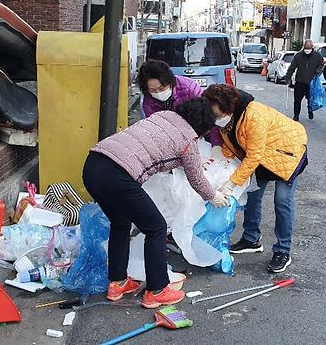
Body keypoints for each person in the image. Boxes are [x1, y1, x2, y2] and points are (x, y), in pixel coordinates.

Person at [83, 98, 230, 309]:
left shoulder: (162, 117)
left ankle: (118, 283)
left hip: (93, 165)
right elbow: (197, 179)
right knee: (157, 227)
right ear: (203, 127)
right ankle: (157, 290)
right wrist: (213, 196)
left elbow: (160, 150)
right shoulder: (188, 140)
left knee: (121, 223)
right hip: (118, 176)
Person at [202, 84, 308, 273]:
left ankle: (283, 250)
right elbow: (232, 146)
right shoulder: (226, 122)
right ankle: (251, 239)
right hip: (263, 159)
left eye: (217, 115)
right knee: (253, 195)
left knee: (282, 200)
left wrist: (232, 182)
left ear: (229, 109)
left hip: (288, 154)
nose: (215, 119)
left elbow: (253, 156)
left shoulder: (253, 115)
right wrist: (217, 162)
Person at [137, 59, 223, 145]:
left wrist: (216, 144)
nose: (158, 93)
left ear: (170, 82)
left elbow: (208, 119)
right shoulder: (148, 101)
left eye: (162, 88)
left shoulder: (189, 88)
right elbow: (155, 130)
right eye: (153, 90)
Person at [284, 39, 324, 121]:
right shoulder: (298, 56)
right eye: (306, 48)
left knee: (310, 99)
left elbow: (321, 65)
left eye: (309, 48)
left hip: (311, 82)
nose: (307, 50)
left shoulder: (317, 56)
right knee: (297, 100)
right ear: (303, 47)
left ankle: (310, 110)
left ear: (312, 47)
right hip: (300, 81)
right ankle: (296, 115)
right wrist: (288, 77)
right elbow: (292, 67)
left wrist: (318, 71)